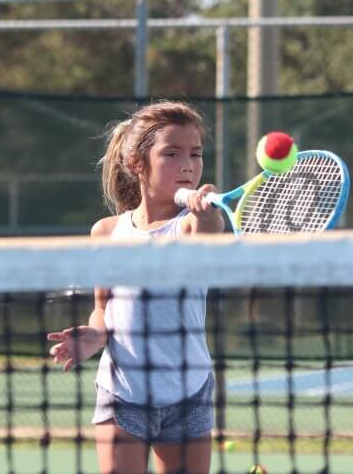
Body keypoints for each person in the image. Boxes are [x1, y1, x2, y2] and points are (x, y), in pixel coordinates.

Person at [47, 101, 223, 474]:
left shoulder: (191, 224)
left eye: (195, 154)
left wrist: (207, 214)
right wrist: (95, 335)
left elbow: (207, 232)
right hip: (123, 391)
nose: (188, 165)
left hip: (189, 392)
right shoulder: (106, 232)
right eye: (172, 153)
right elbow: (103, 307)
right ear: (136, 163)